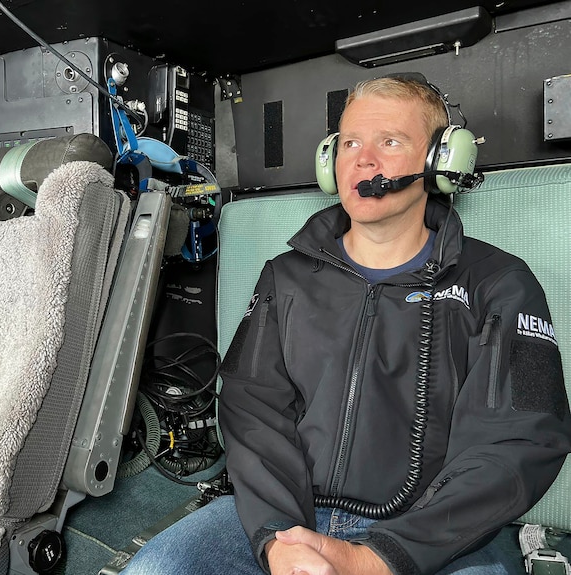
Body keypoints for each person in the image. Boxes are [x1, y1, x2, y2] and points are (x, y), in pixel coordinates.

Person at [120, 75, 571, 575]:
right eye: (351, 142)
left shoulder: (499, 284)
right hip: (285, 515)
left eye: (390, 142)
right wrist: (276, 539)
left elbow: (517, 441)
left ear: (442, 162)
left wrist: (379, 557)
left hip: (434, 538)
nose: (363, 160)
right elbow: (252, 408)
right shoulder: (285, 276)